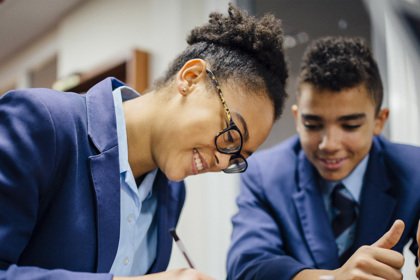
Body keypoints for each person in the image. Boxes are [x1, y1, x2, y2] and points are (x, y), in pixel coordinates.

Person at [0, 4, 289, 280]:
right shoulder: (41, 122)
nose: (223, 161)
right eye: (230, 136)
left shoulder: (173, 194)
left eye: (238, 158)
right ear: (190, 78)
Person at [226, 36, 420, 280]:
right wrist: (332, 279)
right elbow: (247, 267)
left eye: (349, 125)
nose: (329, 145)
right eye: (312, 124)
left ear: (379, 121)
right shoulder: (264, 174)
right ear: (297, 119)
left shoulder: (414, 170)